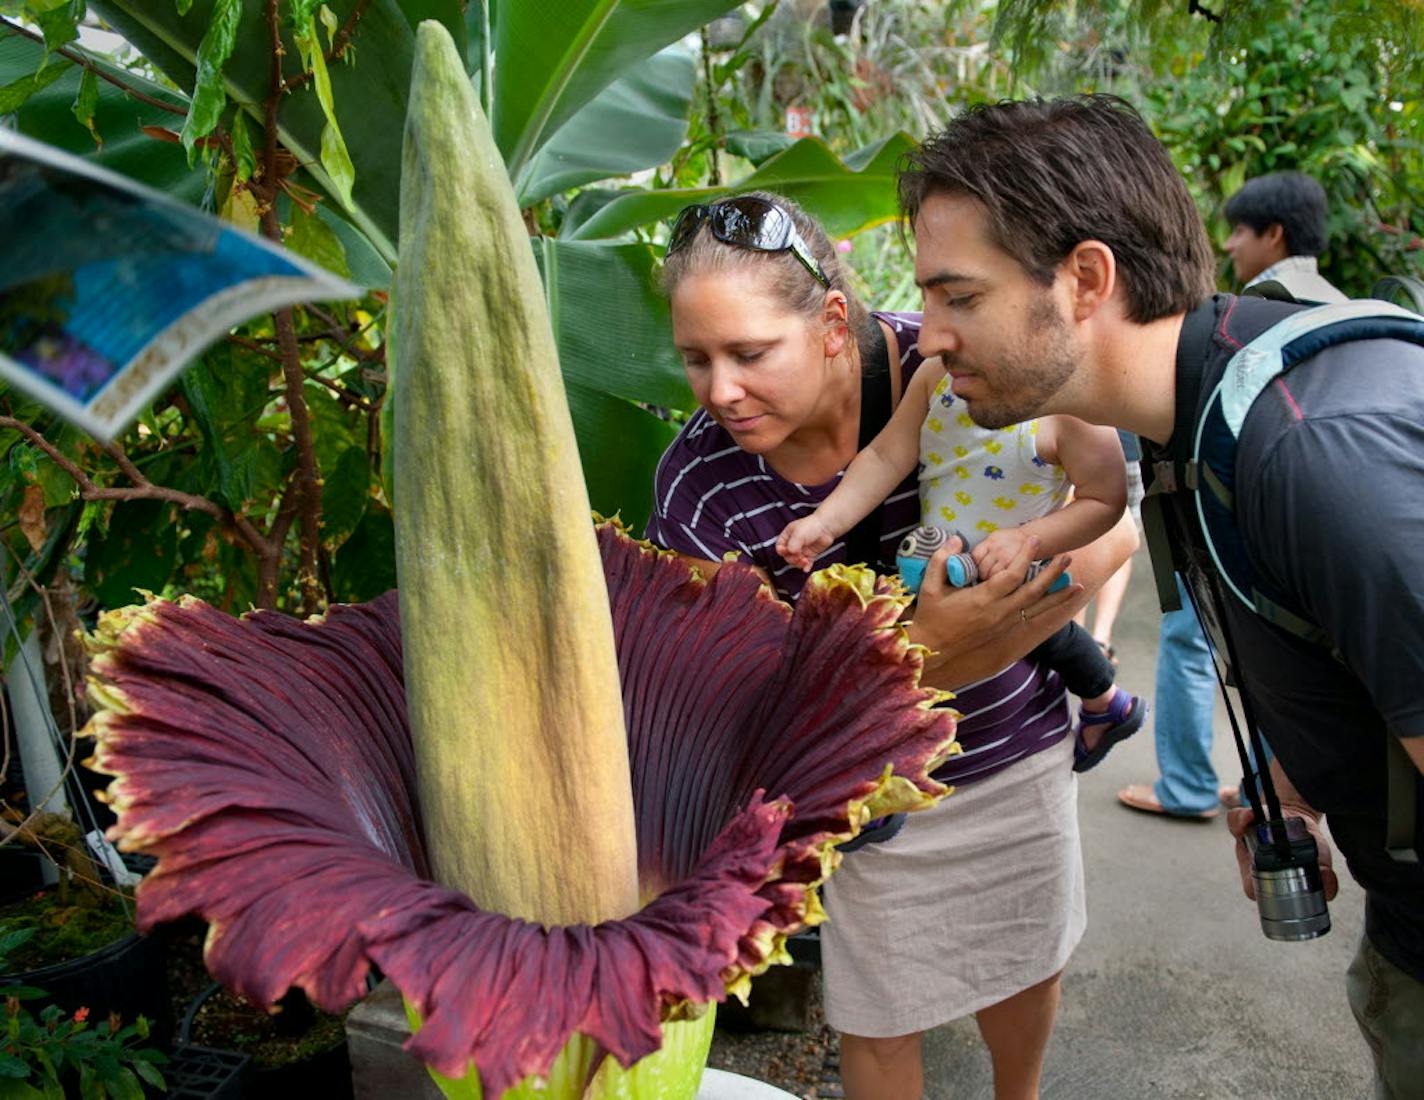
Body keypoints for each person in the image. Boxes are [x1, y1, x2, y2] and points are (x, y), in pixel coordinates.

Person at [896, 94, 1424, 1097]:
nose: (927, 336)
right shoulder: (1189, 422)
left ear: (1085, 278)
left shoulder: (1314, 452)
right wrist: (1294, 770)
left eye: (956, 296)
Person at [647, 191, 1138, 1100]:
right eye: (696, 360)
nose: (720, 390)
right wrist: (919, 652)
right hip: (866, 800)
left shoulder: (952, 365)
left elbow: (1113, 522)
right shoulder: (699, 485)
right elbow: (716, 705)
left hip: (1007, 749)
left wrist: (998, 615)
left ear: (833, 322)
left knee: (1027, 961)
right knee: (878, 1013)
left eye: (750, 354)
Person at [774, 353, 1145, 773]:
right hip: (936, 561)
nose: (928, 331)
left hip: (1009, 568)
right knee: (928, 649)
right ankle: (1109, 704)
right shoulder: (936, 376)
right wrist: (826, 521)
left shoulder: (1067, 404)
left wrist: (1027, 541)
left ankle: (878, 773)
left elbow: (1106, 501)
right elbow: (885, 457)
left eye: (961, 300)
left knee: (914, 663)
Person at [1119, 169, 1345, 820]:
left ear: (1273, 235)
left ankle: (1185, 786)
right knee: (1288, 655)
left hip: (1226, 515)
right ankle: (1264, 788)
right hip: (1297, 524)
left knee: (1190, 641)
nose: (1234, 246)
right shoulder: (1336, 307)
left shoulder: (1247, 315)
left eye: (1242, 232)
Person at [1223, 171, 1347, 302]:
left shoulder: (1257, 305)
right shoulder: (1341, 304)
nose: (1227, 245)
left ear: (1273, 234)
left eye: (1238, 231)